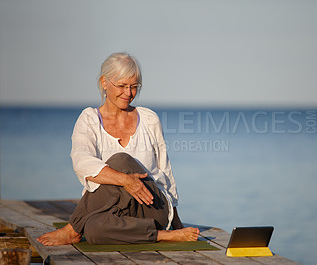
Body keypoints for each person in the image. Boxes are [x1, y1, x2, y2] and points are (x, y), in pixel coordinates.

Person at [37, 52, 199, 245]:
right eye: (122, 86)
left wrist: (175, 221)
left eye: (134, 87)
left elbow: (166, 171)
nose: (129, 93)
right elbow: (81, 162)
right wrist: (124, 180)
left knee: (121, 160)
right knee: (93, 230)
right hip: (112, 210)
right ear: (104, 82)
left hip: (151, 205)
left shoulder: (149, 120)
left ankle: (73, 228)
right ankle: (161, 236)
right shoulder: (89, 120)